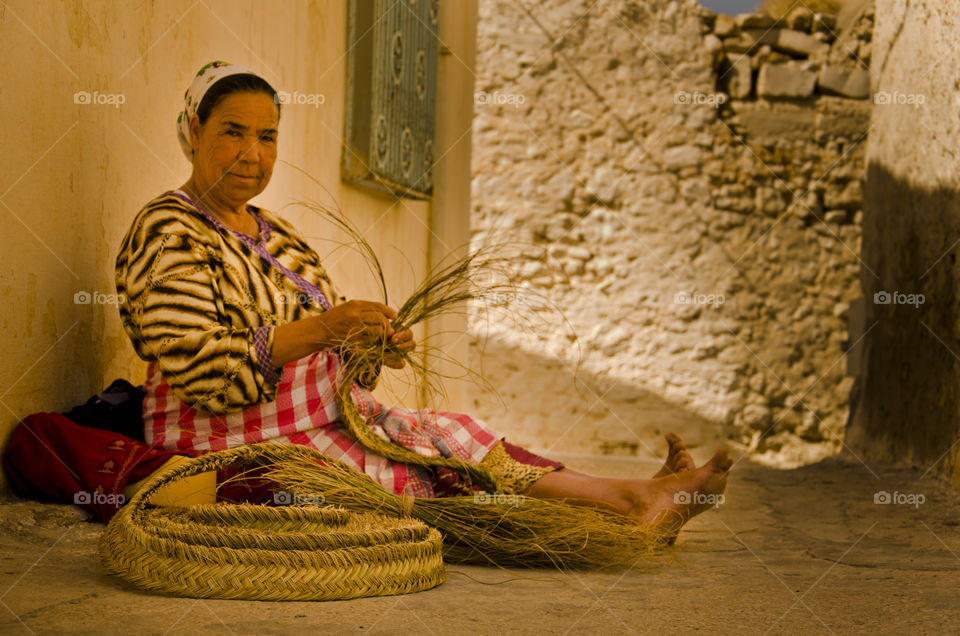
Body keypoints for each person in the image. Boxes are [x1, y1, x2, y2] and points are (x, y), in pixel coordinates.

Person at [114, 61, 731, 541]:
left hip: (315, 417)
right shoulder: (168, 229)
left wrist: (367, 343)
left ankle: (625, 499)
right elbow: (201, 368)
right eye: (232, 133)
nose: (253, 154)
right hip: (223, 437)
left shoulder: (277, 234)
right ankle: (627, 505)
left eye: (268, 136)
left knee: (456, 433)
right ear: (193, 132)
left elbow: (326, 349)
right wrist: (327, 328)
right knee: (419, 468)